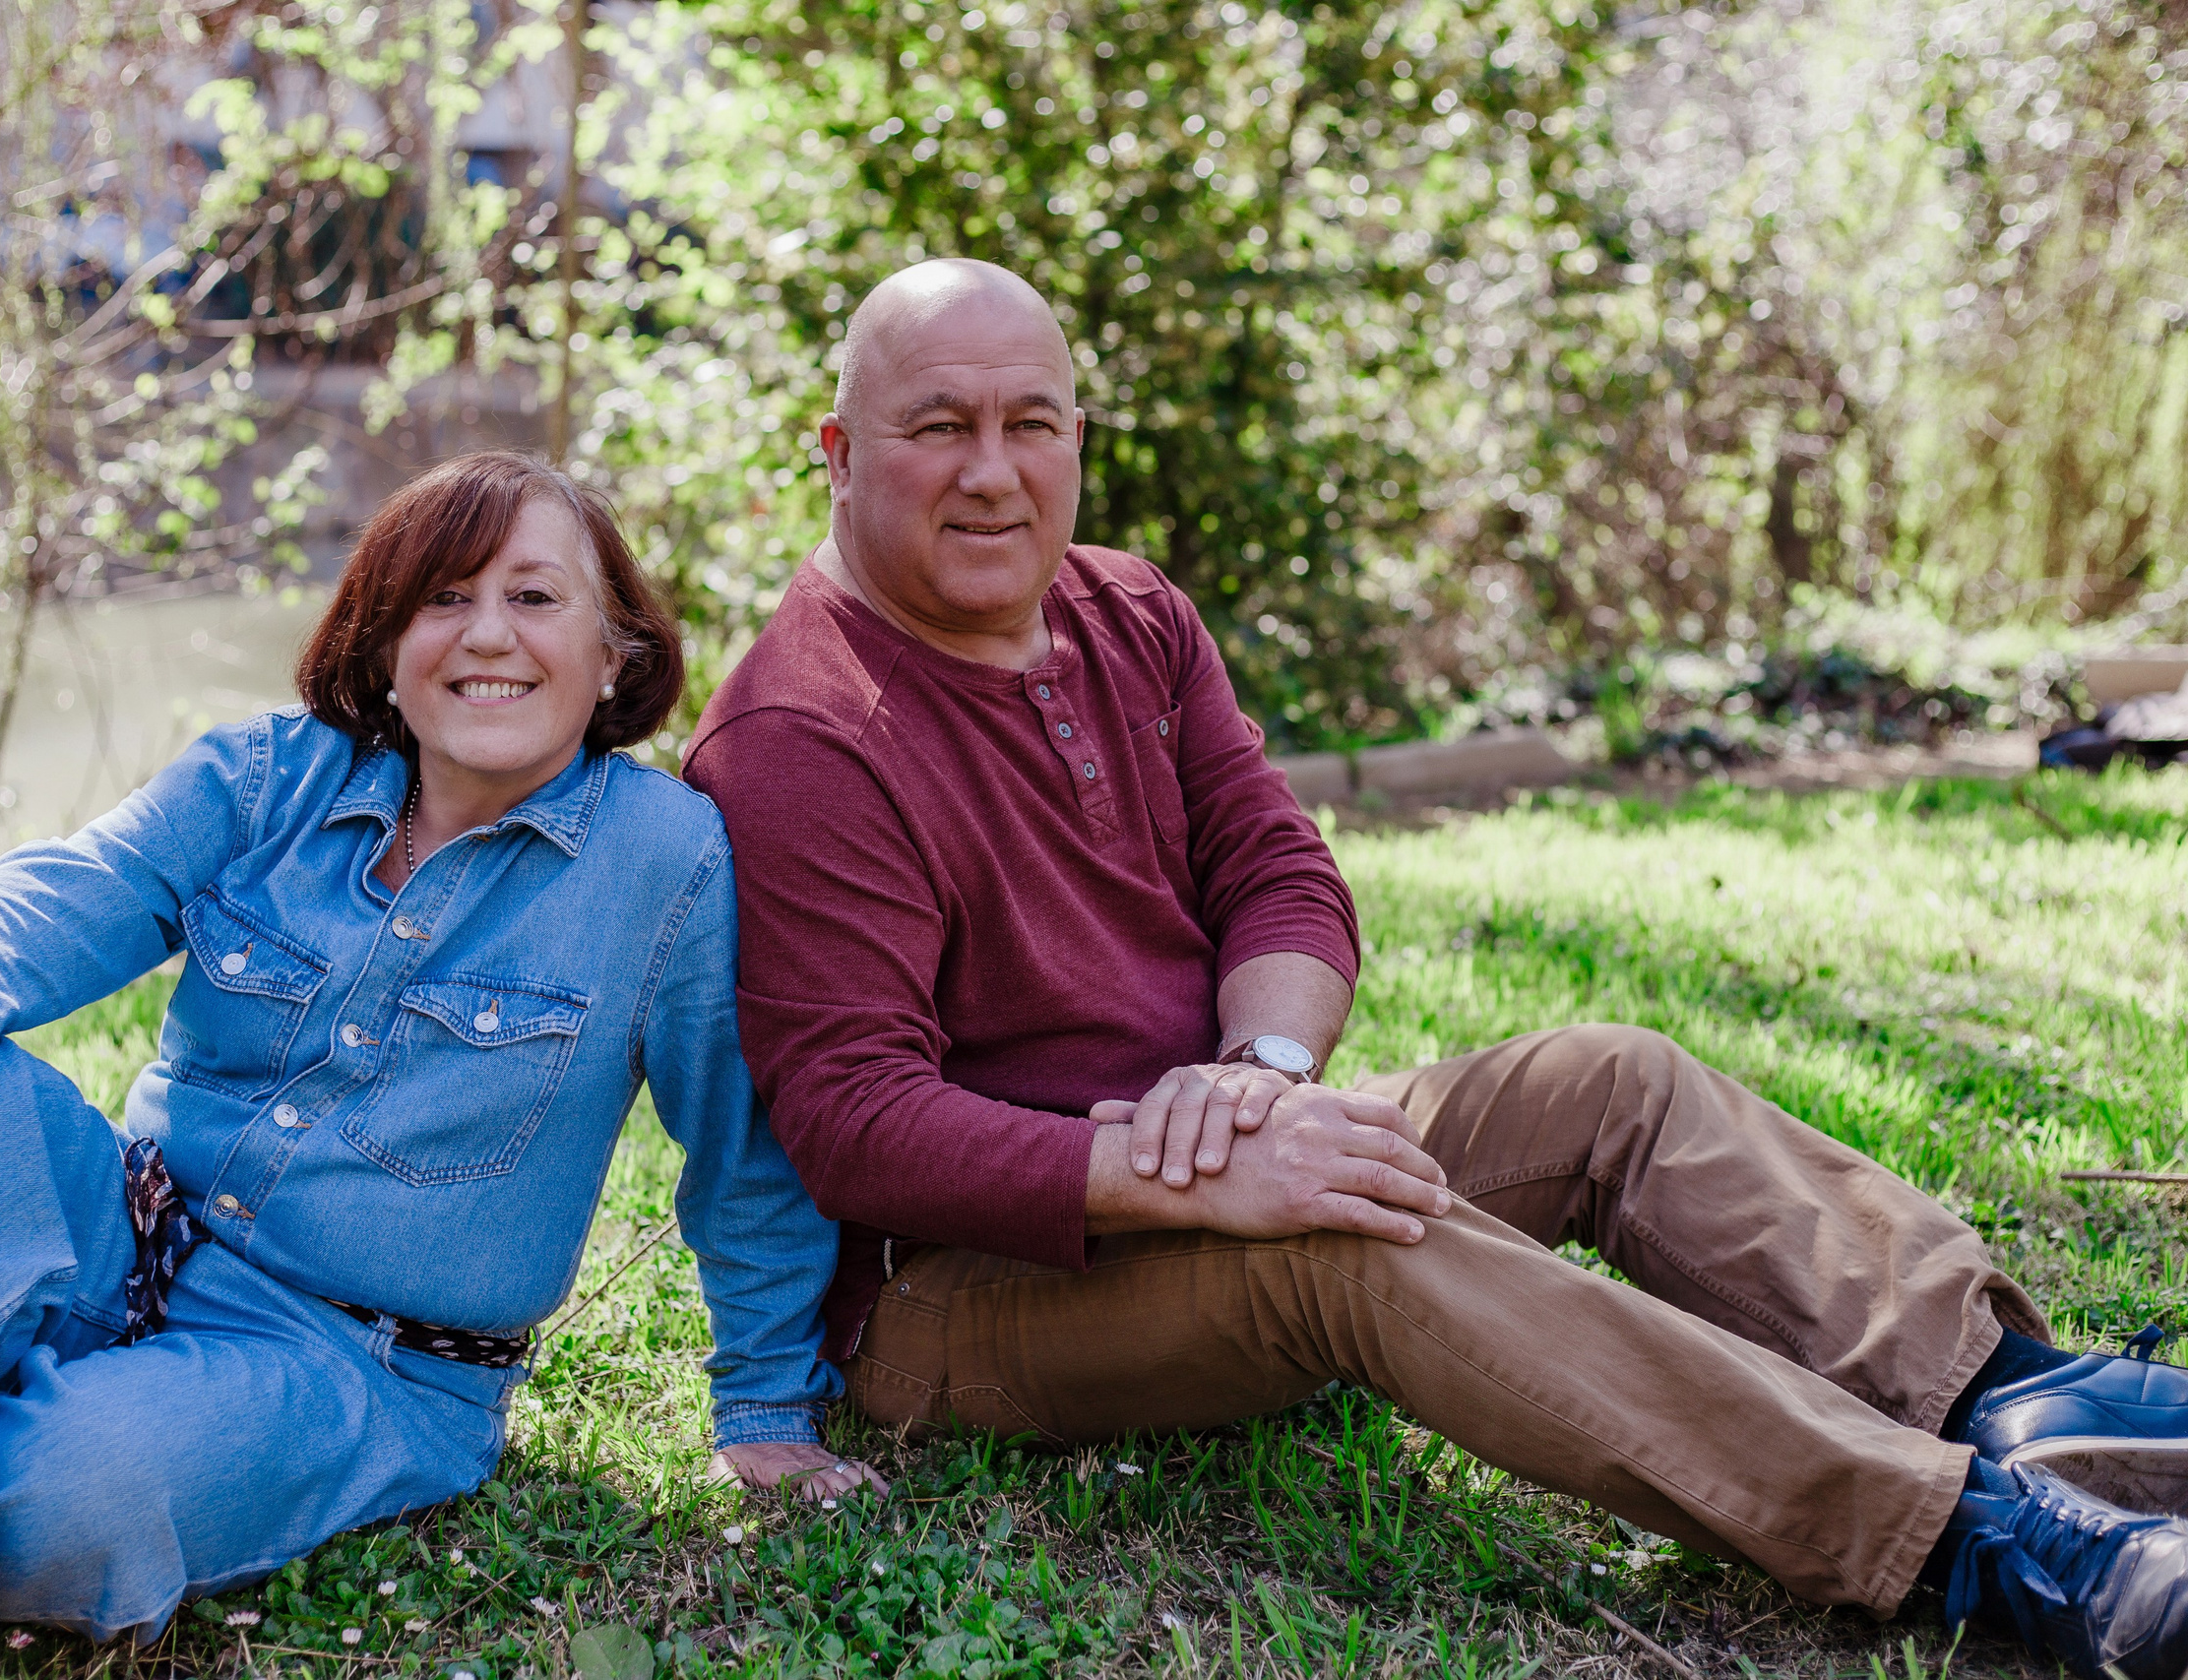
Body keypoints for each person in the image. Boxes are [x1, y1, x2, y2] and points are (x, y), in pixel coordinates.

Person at [680, 258, 2188, 1678]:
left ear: (1079, 431)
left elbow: (1277, 869)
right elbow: (858, 1123)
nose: (994, 468)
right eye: (939, 425)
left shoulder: (1127, 608)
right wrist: (1181, 1172)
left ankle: (2008, 1392)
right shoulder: (806, 733)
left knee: (1613, 1079)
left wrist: (1257, 1080)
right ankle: (1977, 1539)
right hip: (960, 1293)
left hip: (1203, 1140)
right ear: (839, 446)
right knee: (1350, 1233)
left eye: (1032, 421)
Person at [0, 452, 883, 1676]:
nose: (485, 636)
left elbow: (743, 1146)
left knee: (62, 1501)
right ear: (385, 646)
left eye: (534, 596)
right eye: (443, 597)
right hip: (123, 1234)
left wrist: (766, 1409)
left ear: (616, 651)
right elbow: (13, 922)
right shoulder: (266, 776)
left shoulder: (666, 861)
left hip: (357, 1364)